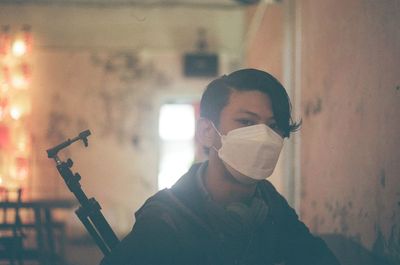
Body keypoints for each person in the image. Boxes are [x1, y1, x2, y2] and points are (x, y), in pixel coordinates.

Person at [100, 69, 340, 265]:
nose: (263, 137)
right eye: (246, 122)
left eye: (273, 125)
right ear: (206, 132)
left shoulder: (271, 205)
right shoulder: (165, 220)